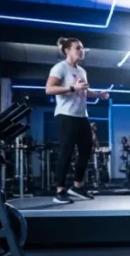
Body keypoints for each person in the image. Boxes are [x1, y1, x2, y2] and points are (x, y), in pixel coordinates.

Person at [45, 37, 109, 204]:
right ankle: (60, 191)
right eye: (78, 48)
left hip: (82, 116)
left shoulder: (81, 71)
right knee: (67, 152)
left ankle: (77, 186)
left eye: (82, 48)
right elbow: (49, 89)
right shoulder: (60, 68)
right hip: (65, 115)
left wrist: (98, 94)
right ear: (68, 50)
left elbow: (84, 91)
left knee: (86, 150)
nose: (82, 51)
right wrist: (72, 87)